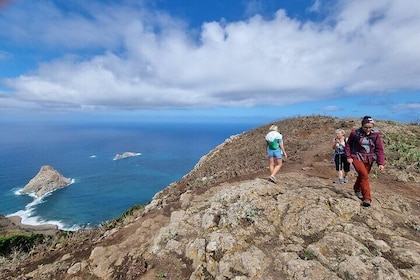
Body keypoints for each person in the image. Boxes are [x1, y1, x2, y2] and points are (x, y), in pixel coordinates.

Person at [345, 116, 385, 207]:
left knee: (362, 176)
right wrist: (348, 156)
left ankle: (357, 188)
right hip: (356, 156)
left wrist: (381, 163)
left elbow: (379, 149)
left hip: (369, 158)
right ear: (362, 126)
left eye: (370, 127)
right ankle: (367, 198)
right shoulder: (355, 133)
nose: (368, 129)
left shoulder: (376, 134)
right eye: (365, 127)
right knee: (364, 175)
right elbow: (348, 145)